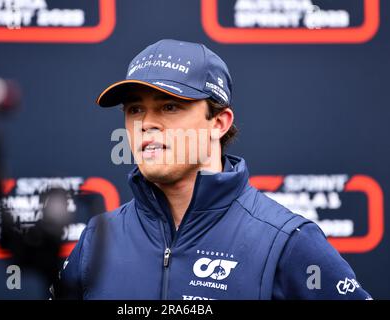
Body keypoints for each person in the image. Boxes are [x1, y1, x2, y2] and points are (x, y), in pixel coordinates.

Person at [51, 39, 372, 300]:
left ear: (218, 123)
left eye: (169, 106)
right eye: (135, 109)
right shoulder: (98, 239)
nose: (146, 123)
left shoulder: (287, 241)